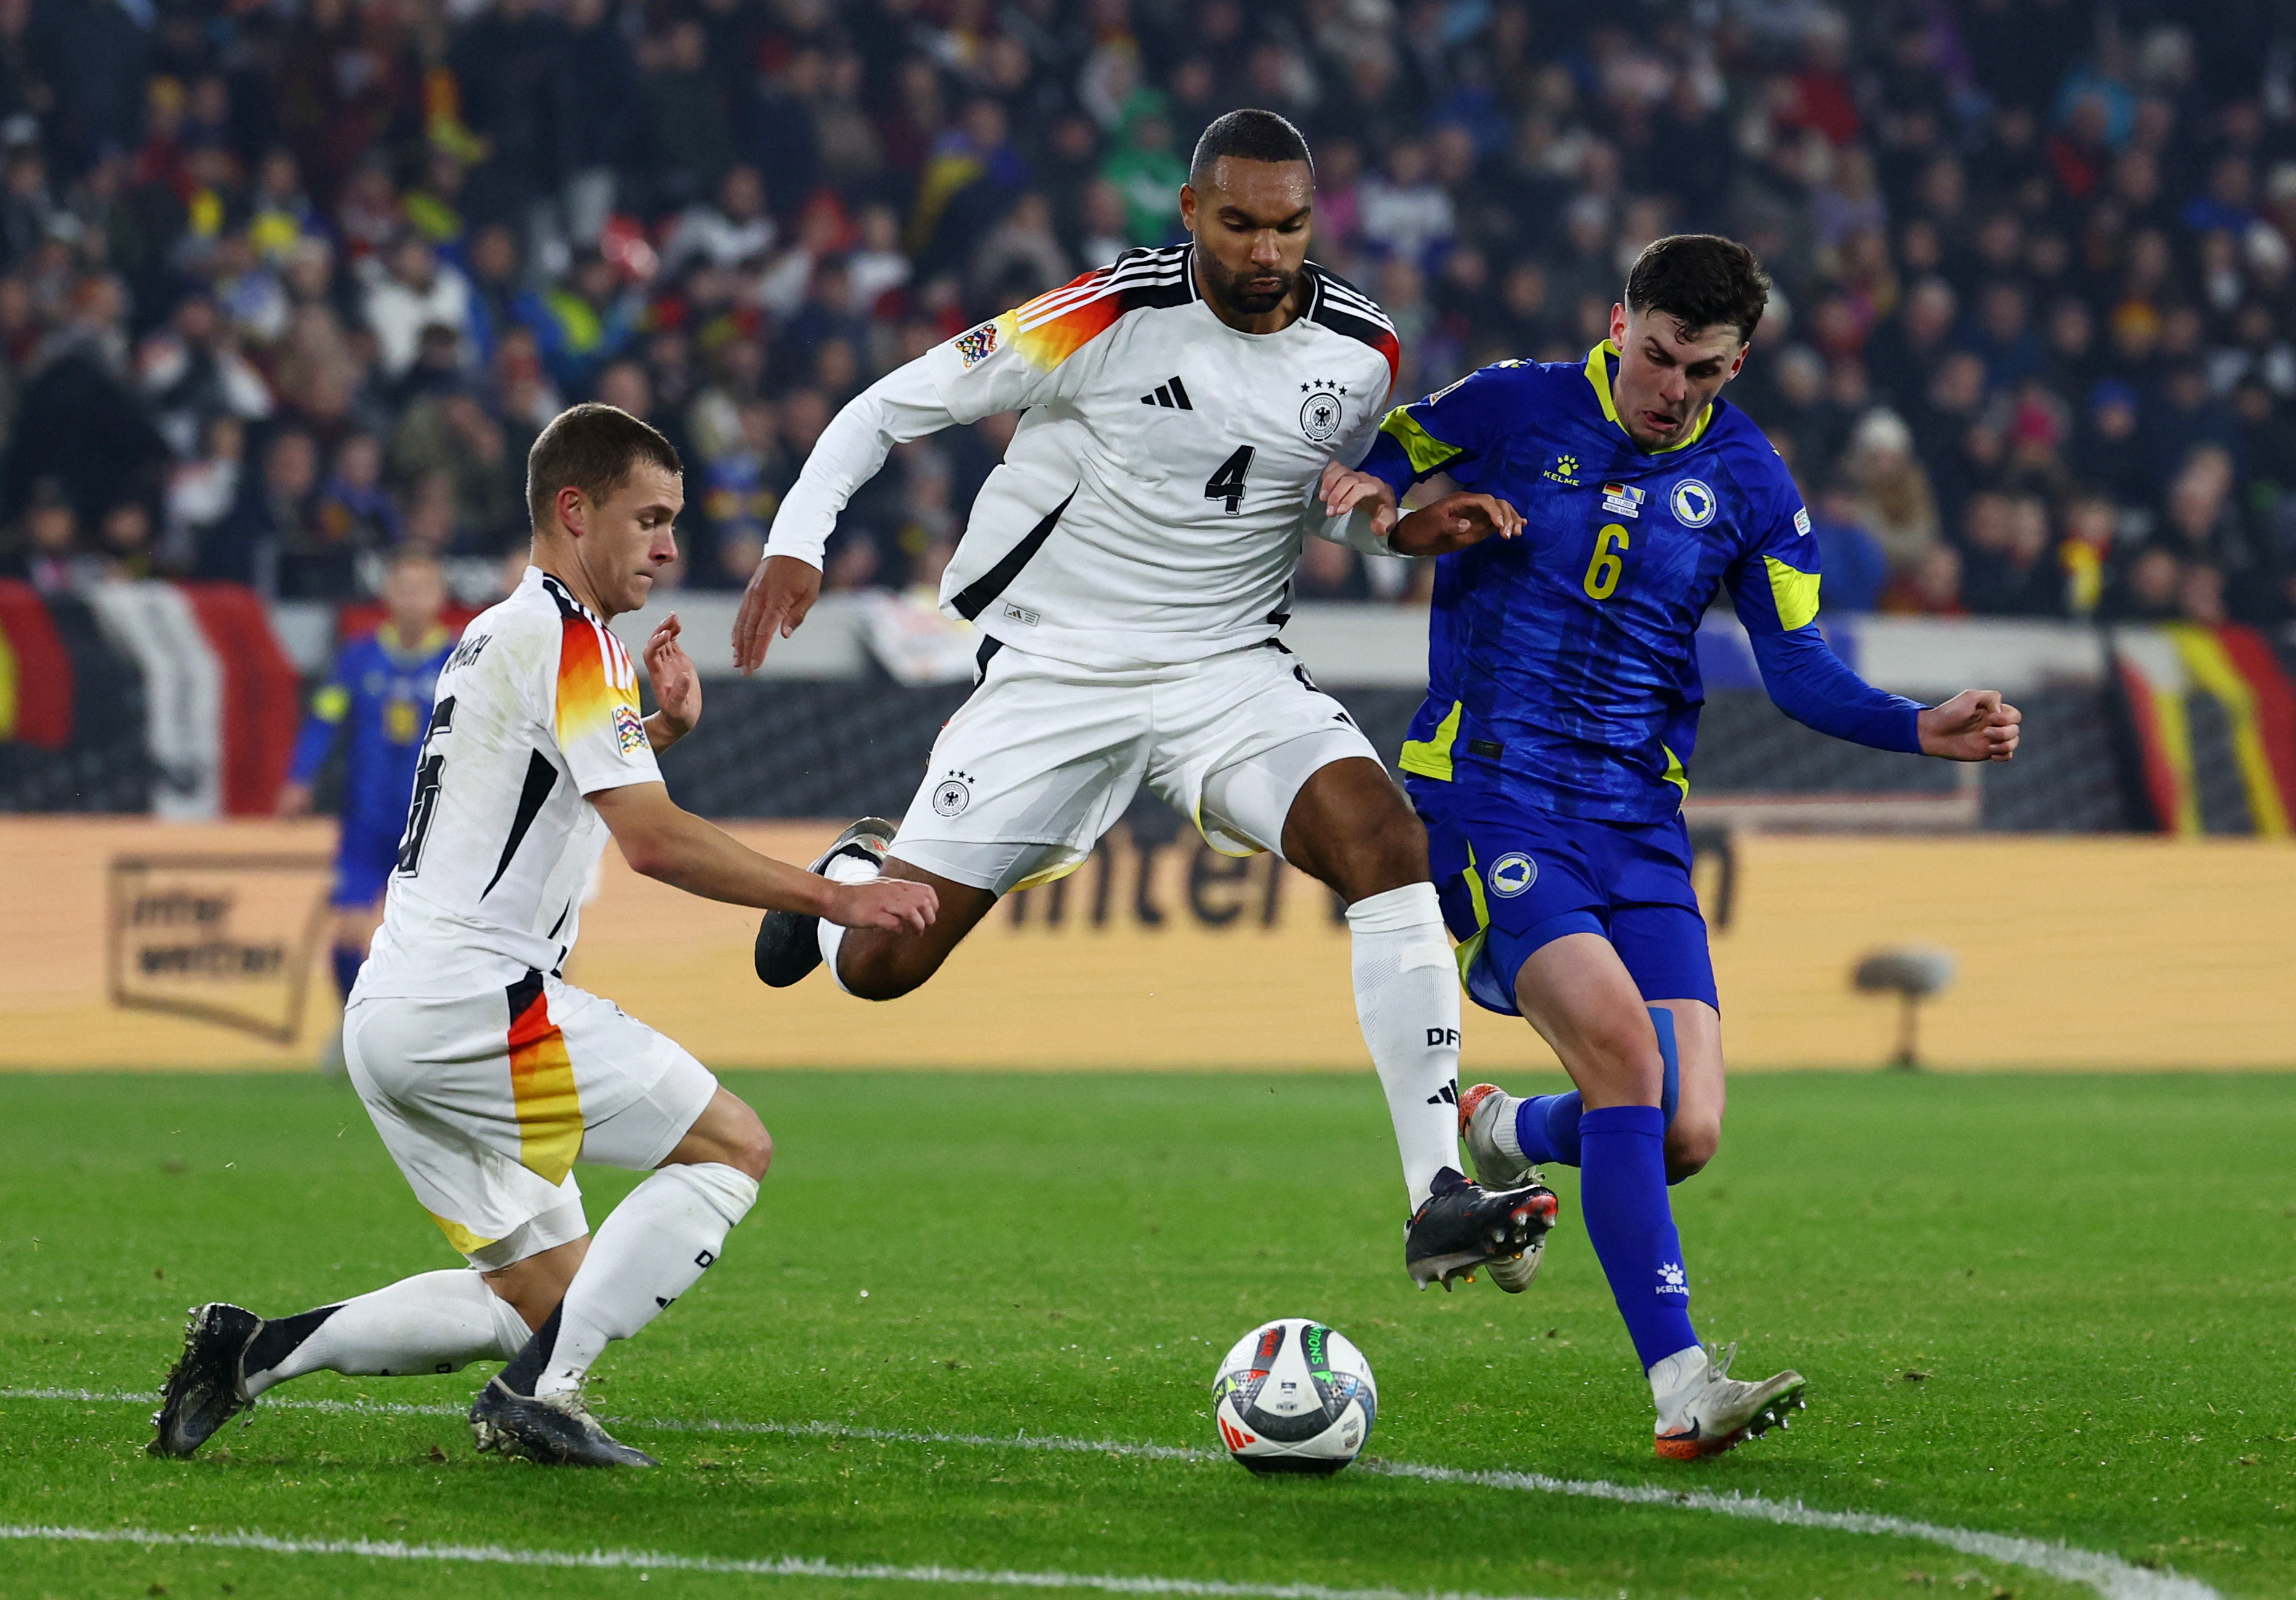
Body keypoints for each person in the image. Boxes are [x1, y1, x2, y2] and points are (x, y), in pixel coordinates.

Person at [733, 109, 1552, 1289]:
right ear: (1188, 211)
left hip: (1228, 669)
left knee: (1387, 847)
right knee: (878, 968)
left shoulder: (1361, 348)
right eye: (1239, 224)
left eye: (1289, 226)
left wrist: (1403, 531)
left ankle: (1437, 1193)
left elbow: (1307, 498)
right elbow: (886, 407)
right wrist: (796, 542)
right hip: (1058, 670)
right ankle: (856, 868)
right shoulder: (1100, 315)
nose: (1266, 252)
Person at [1326, 234, 2022, 1459]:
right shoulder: (1513, 404)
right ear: (1619, 324)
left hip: (1640, 825)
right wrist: (1389, 509)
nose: (1672, 389)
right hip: (1494, 797)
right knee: (1625, 1057)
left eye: (1703, 370)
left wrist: (1916, 726)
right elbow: (1376, 472)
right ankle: (1682, 1383)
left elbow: (1795, 665)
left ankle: (1504, 1131)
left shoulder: (1750, 479)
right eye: (1656, 356)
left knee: (1685, 1125)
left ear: (1735, 362)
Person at [153, 404, 936, 1469]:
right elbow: (652, 841)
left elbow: (532, 785)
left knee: (545, 1297)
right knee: (732, 1147)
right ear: (575, 511)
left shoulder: (496, 629)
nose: (669, 546)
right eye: (648, 519)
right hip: (480, 1002)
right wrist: (830, 898)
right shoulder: (573, 640)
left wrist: (657, 733)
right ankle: (538, 1398)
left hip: (398, 1009)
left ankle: (249, 1354)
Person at [279, 552, 457, 1028]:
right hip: (366, 822)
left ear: (440, 596)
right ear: (387, 594)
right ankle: (357, 1028)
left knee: (434, 944)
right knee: (347, 935)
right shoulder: (358, 659)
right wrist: (299, 778)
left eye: (423, 588)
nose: (413, 599)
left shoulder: (458, 662)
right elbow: (324, 720)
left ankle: (423, 1037)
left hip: (434, 828)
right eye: (404, 587)